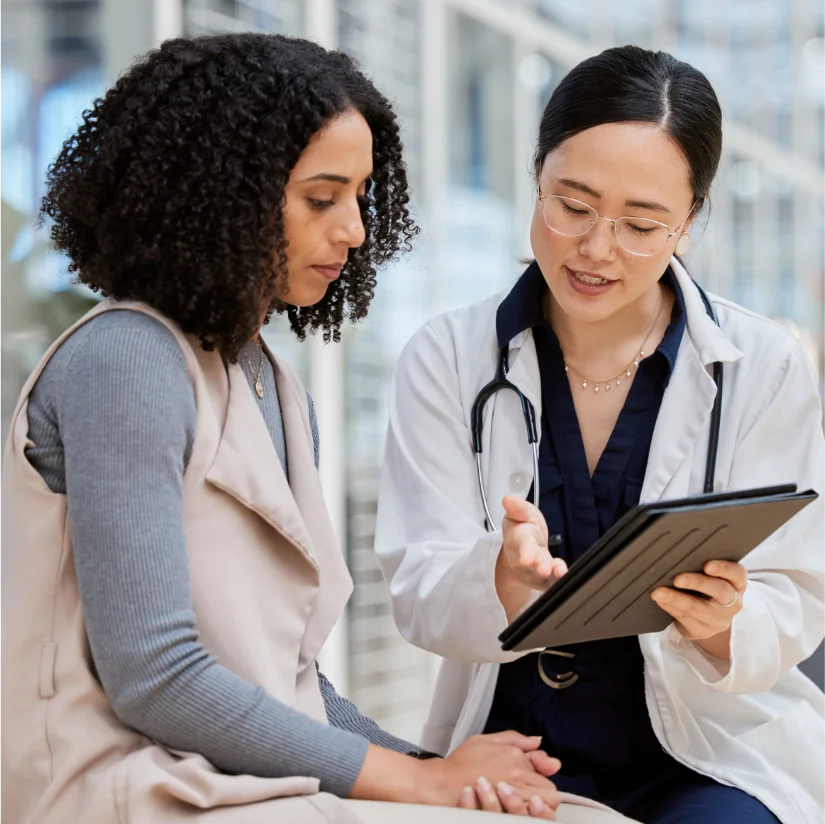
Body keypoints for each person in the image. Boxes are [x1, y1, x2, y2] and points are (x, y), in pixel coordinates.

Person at [0, 32, 634, 824]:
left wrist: (437, 770)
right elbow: (158, 676)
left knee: (580, 814)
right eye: (320, 198)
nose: (355, 231)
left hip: (229, 779)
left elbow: (291, 686)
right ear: (219, 193)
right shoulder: (126, 361)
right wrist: (413, 783)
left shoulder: (269, 382)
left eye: (360, 197)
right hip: (119, 786)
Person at [375, 45, 825, 824]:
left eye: (641, 224)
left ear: (687, 222)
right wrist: (497, 585)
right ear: (536, 179)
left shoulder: (764, 365)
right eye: (572, 206)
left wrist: (727, 623)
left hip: (706, 753)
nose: (595, 249)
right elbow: (416, 585)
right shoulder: (447, 357)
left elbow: (798, 594)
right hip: (513, 745)